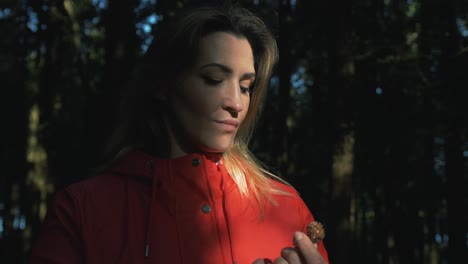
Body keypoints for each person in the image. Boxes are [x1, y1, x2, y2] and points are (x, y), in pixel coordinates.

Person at [30, 5, 329, 264]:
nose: (236, 103)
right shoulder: (82, 211)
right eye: (213, 79)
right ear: (163, 84)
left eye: (245, 86)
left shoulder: (288, 209)